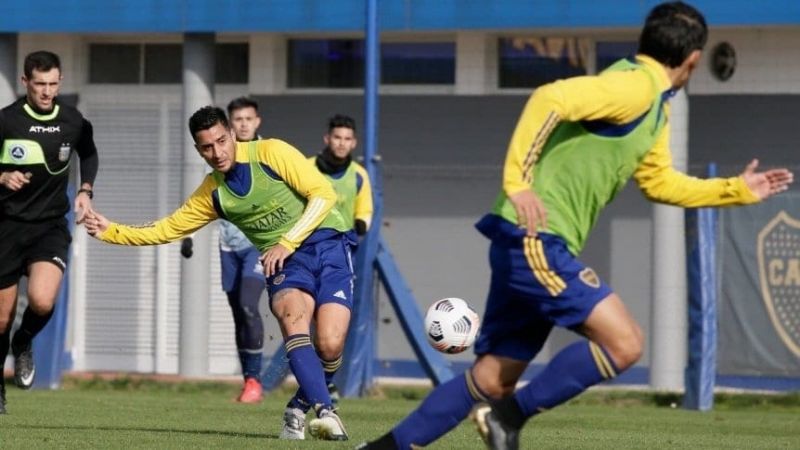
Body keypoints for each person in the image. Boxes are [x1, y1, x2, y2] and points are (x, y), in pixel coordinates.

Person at [358, 3, 794, 449]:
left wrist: (735, 189)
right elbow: (550, 98)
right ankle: (507, 418)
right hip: (534, 238)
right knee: (624, 343)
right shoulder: (636, 88)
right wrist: (518, 183)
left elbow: (659, 182)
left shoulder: (654, 107)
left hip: (526, 240)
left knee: (491, 379)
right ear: (694, 60)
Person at [85, 106, 355, 441]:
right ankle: (326, 413)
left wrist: (288, 241)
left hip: (328, 246)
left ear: (232, 134)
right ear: (198, 150)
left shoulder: (271, 152)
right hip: (285, 264)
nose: (217, 152)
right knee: (292, 317)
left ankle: (297, 406)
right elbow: (167, 228)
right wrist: (111, 230)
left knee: (330, 344)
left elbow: (323, 195)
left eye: (221, 141)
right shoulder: (212, 193)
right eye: (207, 147)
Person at [0, 50, 99, 414]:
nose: (46, 91)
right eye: (39, 84)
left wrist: (85, 190)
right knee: (1, 319)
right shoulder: (6, 120)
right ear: (25, 82)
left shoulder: (73, 121)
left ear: (60, 82)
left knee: (42, 301)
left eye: (53, 84)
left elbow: (89, 154)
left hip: (50, 226)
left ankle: (23, 342)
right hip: (6, 226)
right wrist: (2, 176)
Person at [180, 97, 266, 404]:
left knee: (248, 305)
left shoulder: (267, 154)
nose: (243, 124)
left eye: (248, 119)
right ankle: (250, 381)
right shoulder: (218, 160)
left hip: (260, 245)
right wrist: (187, 234)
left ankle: (257, 380)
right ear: (229, 126)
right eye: (238, 119)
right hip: (229, 246)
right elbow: (200, 202)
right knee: (238, 314)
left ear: (257, 122)